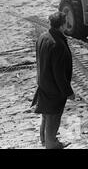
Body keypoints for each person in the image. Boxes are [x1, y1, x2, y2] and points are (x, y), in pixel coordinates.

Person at [31, 12, 75, 149]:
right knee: (53, 116)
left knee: (46, 114)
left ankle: (45, 140)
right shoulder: (57, 44)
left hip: (43, 82)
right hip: (54, 88)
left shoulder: (43, 37)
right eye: (66, 22)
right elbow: (59, 74)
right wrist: (68, 92)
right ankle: (51, 144)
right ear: (62, 25)